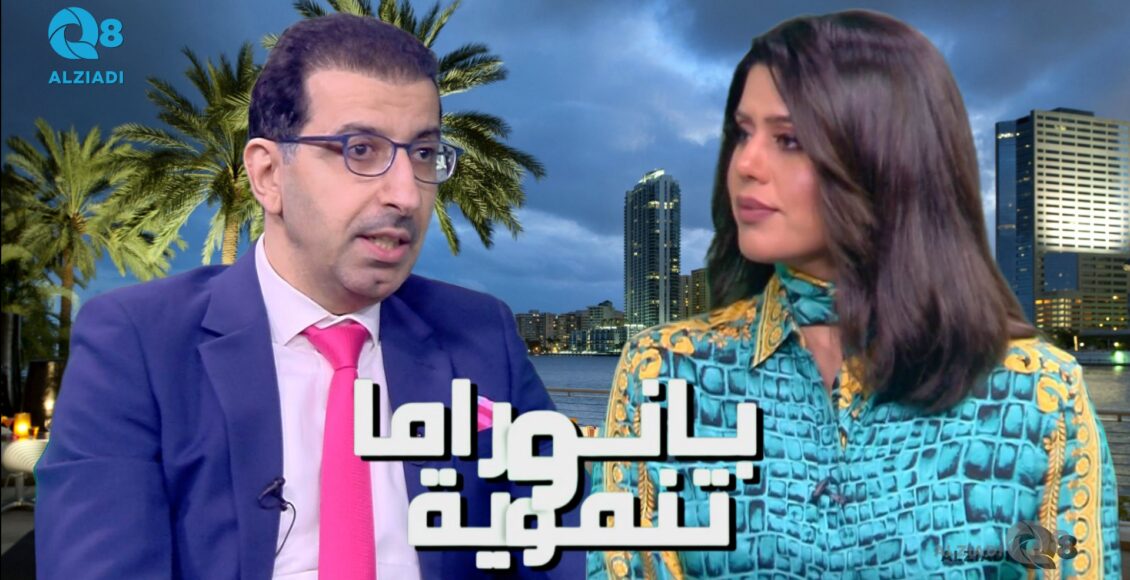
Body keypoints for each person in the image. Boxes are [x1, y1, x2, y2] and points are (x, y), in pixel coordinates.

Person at [36, 14, 582, 579]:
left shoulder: (482, 335)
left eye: (423, 154)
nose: (406, 194)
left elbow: (563, 545)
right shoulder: (136, 343)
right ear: (268, 174)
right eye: (360, 150)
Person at [588, 10, 1120, 579]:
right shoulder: (664, 372)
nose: (745, 164)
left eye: (789, 139)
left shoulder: (1037, 396)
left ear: (889, 158)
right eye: (742, 133)